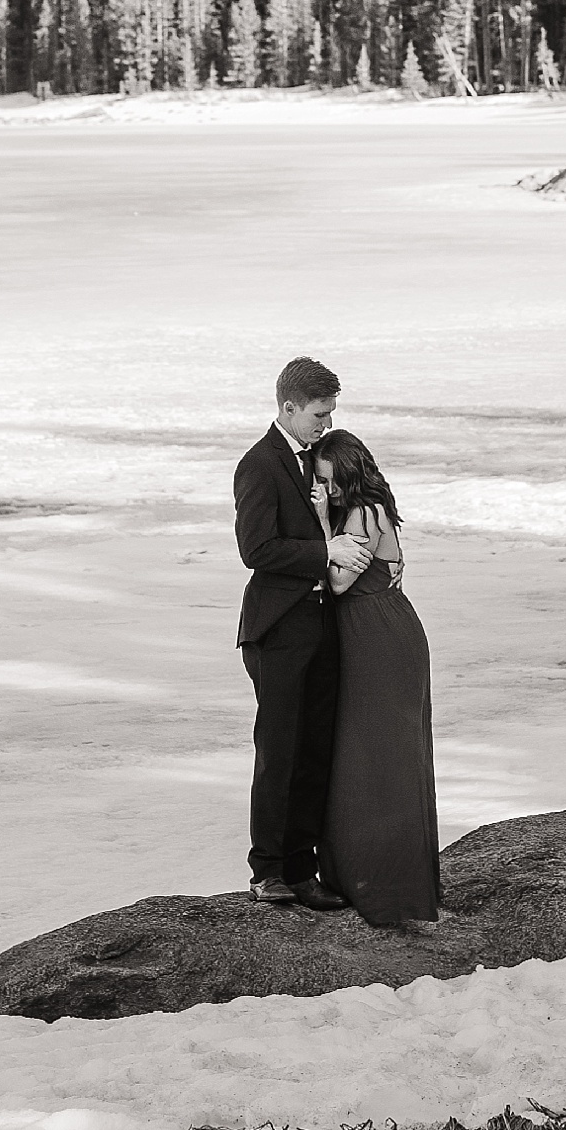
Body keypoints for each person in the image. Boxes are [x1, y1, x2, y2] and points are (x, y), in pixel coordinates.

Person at [233, 357, 371, 908]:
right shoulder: (258, 465)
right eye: (319, 412)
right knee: (279, 750)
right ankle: (267, 870)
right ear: (288, 407)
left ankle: (303, 870)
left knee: (316, 749)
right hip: (278, 627)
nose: (326, 421)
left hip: (324, 624)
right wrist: (324, 553)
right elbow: (256, 551)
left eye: (330, 412)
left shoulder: (320, 458)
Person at [315, 428, 441, 930]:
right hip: (370, 635)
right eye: (320, 482)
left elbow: (340, 581)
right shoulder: (362, 511)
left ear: (350, 474)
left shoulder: (363, 513)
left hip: (380, 639)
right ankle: (361, 876)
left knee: (381, 761)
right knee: (360, 758)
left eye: (330, 480)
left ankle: (388, 890)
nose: (327, 490)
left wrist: (323, 522)